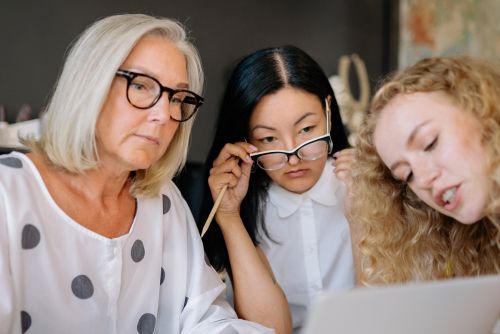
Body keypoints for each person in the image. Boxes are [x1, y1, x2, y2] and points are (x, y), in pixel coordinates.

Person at [0, 14, 272, 333]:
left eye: (177, 98)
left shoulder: (162, 200)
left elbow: (205, 318)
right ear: (90, 83)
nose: (163, 115)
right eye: (142, 85)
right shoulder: (8, 196)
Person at [200, 45, 358, 334]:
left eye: (307, 130)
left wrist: (367, 214)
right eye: (269, 138)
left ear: (328, 113)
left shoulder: (364, 183)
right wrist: (229, 216)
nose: (293, 157)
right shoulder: (244, 204)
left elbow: (389, 311)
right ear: (246, 139)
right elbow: (271, 329)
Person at [350, 56, 500, 285]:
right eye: (407, 175)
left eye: (429, 143)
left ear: (482, 110)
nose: (423, 179)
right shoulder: (474, 250)